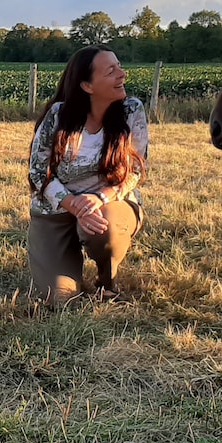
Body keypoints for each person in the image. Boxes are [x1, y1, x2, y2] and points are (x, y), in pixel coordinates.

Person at [27, 45, 149, 304]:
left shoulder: (132, 111)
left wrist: (100, 198)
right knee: (58, 298)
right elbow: (38, 173)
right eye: (111, 71)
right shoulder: (58, 116)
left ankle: (107, 281)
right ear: (87, 86)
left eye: (119, 66)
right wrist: (73, 204)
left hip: (108, 204)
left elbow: (135, 170)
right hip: (57, 210)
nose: (122, 74)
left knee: (106, 230)